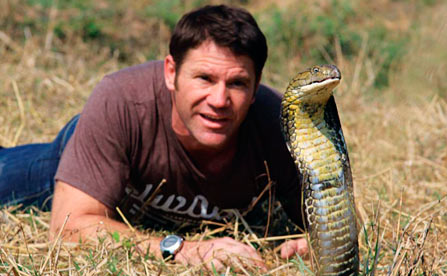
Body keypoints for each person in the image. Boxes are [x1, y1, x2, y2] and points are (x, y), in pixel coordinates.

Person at [0, 5, 309, 270]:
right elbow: (70, 228)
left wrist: (313, 245)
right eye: (205, 78)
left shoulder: (280, 126)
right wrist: (184, 250)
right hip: (90, 161)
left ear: (256, 88)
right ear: (170, 73)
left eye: (238, 83)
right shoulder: (121, 101)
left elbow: (336, 224)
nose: (219, 99)